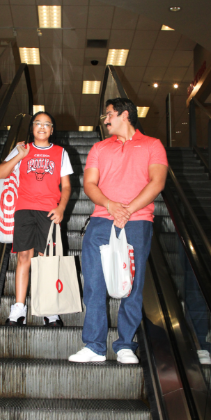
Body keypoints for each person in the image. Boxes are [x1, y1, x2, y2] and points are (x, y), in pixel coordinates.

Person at [69, 97, 168, 363]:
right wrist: (111, 206)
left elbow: (157, 182)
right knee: (93, 284)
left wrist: (128, 209)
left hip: (138, 222)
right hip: (101, 219)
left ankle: (125, 344)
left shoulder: (153, 145)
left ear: (125, 115)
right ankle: (94, 346)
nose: (105, 120)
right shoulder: (100, 148)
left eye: (109, 115)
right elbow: (90, 183)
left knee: (134, 286)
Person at [0, 111, 73, 327]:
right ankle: (19, 308)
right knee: (23, 257)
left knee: (46, 259)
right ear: (32, 127)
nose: (42, 127)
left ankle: (48, 308)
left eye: (47, 124)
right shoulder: (22, 149)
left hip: (49, 211)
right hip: (24, 209)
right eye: (37, 123)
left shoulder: (60, 152)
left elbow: (66, 186)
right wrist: (19, 156)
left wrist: (61, 208)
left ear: (52, 130)